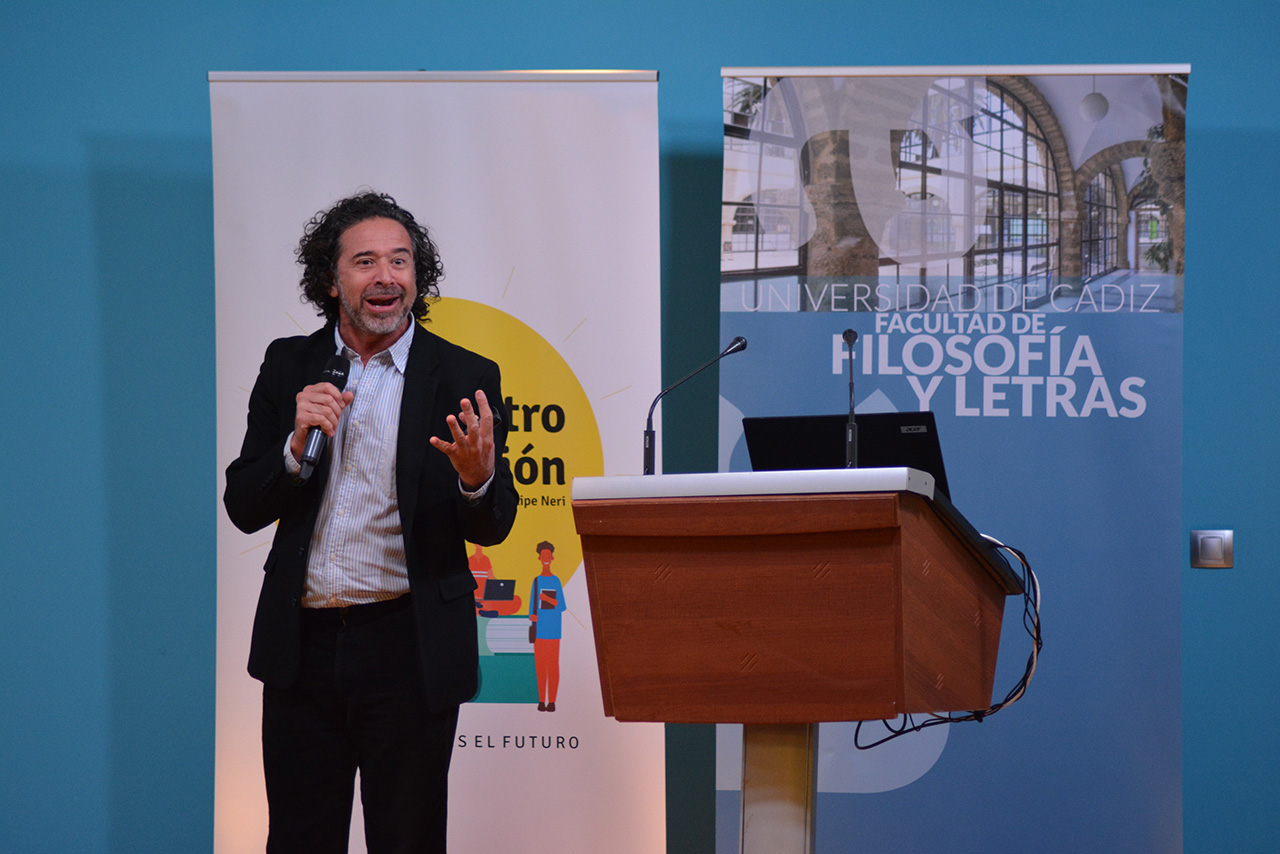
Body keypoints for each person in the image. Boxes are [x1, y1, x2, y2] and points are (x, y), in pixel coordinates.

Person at [223, 190, 518, 853]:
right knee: (298, 840)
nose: (386, 277)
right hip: (302, 651)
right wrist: (293, 448)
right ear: (332, 280)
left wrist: (477, 478)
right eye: (365, 262)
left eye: (400, 261)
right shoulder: (289, 365)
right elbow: (243, 505)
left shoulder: (464, 375)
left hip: (408, 648)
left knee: (408, 841)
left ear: (417, 275)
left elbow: (494, 524)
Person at [528, 541, 565, 712]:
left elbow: (562, 606)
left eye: (548, 556)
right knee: (540, 667)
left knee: (553, 666)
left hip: (554, 631)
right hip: (539, 631)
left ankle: (553, 701)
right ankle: (541, 700)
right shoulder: (536, 581)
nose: (546, 558)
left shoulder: (556, 581)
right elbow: (531, 606)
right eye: (543, 556)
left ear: (552, 558)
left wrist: (548, 598)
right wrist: (532, 616)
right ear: (539, 558)